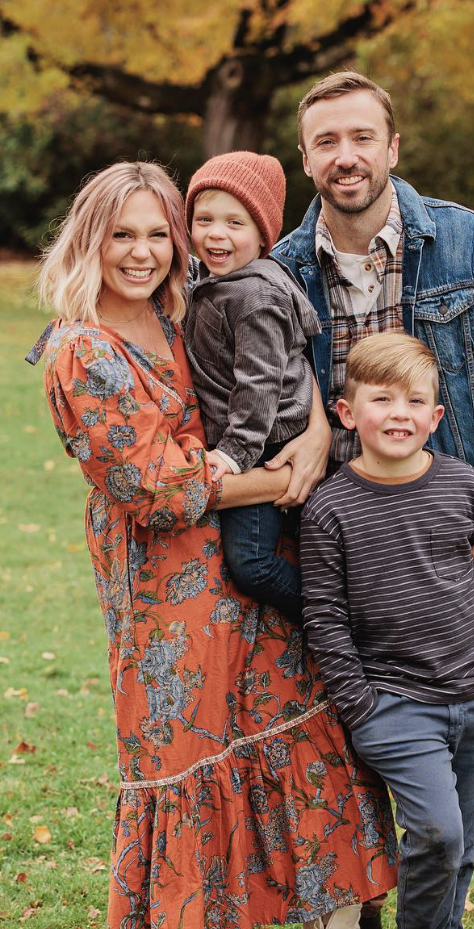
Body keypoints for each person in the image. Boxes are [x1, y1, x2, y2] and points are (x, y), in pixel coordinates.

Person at [29, 161, 397, 929]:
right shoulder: (81, 352)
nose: (142, 252)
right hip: (169, 594)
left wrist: (319, 432)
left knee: (296, 724)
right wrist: (278, 480)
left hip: (248, 566)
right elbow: (154, 491)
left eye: (159, 234)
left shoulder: (179, 314)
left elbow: (273, 380)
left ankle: (327, 911)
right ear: (89, 240)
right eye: (122, 235)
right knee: (189, 760)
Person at [269, 71, 474, 929]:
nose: (345, 157)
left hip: (449, 510)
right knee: (355, 719)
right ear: (306, 157)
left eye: (361, 138)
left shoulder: (463, 242)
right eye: (327, 142)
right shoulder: (284, 270)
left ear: (393, 148)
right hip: (342, 524)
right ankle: (357, 902)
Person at [300, 333, 474, 929]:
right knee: (437, 830)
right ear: (347, 413)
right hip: (397, 705)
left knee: (455, 846)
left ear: (435, 416)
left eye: (413, 403)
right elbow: (324, 616)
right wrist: (361, 705)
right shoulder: (330, 507)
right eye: (381, 400)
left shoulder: (464, 485)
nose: (397, 415)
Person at [183, 150, 320, 622]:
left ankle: (336, 616)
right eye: (204, 219)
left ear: (263, 236)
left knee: (254, 566)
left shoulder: (254, 296)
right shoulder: (214, 276)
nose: (216, 234)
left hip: (264, 444)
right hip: (251, 438)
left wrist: (234, 454)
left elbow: (259, 382)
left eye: (235, 223)